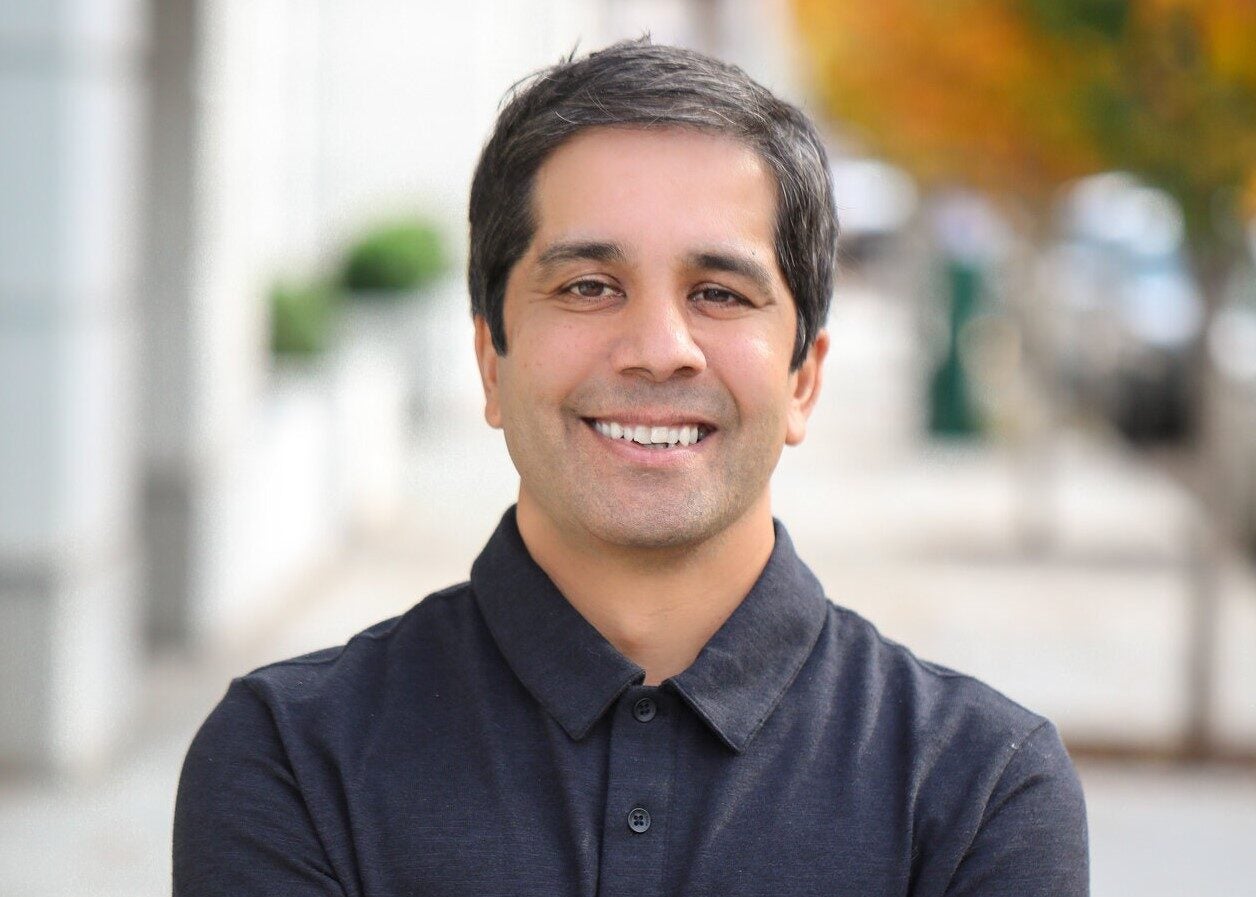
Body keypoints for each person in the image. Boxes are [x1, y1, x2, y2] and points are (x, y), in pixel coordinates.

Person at [174, 40, 1088, 896]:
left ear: (804, 378)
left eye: (719, 293)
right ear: (491, 361)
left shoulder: (979, 791)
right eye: (587, 286)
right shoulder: (290, 760)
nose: (660, 349)